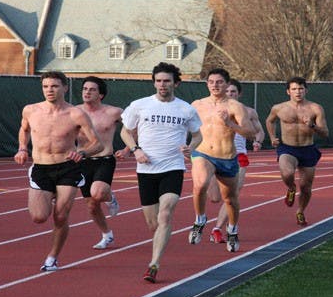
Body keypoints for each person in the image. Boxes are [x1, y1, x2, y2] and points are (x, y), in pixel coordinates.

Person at [119, 62, 202, 283]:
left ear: (176, 83)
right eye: (158, 80)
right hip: (145, 169)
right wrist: (136, 150)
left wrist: (190, 148)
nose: (162, 85)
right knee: (153, 224)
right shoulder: (140, 105)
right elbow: (125, 132)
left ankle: (153, 264)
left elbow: (197, 135)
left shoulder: (186, 109)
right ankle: (160, 241)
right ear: (154, 82)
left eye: (166, 81)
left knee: (166, 213)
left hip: (173, 167)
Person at [14, 71, 103, 272]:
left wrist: (83, 152)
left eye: (54, 86)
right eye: (46, 86)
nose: (49, 90)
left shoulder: (76, 114)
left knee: (61, 217)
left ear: (65, 87)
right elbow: (25, 129)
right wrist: (22, 147)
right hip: (41, 167)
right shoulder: (31, 110)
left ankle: (52, 258)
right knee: (38, 217)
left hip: (68, 168)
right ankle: (51, 194)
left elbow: (96, 144)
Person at [188, 68, 256, 253]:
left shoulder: (235, 107)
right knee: (200, 184)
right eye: (211, 82)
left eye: (219, 82)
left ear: (226, 84)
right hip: (203, 153)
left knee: (230, 199)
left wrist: (230, 124)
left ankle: (232, 229)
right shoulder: (197, 104)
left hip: (226, 157)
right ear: (207, 84)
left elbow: (251, 132)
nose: (215, 85)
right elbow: (184, 125)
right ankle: (200, 219)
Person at [207, 78, 265, 244]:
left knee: (232, 196)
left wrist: (257, 141)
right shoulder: (212, 109)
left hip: (238, 156)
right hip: (214, 155)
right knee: (215, 197)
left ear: (239, 94)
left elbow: (259, 132)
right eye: (227, 91)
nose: (230, 94)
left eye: (233, 92)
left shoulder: (249, 112)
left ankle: (217, 229)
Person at [265, 77, 328, 226]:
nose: (297, 92)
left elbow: (325, 133)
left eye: (300, 89)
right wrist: (273, 137)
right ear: (288, 91)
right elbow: (269, 121)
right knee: (287, 173)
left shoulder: (315, 108)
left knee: (306, 187)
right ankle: (291, 188)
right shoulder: (279, 108)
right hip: (287, 147)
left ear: (306, 90)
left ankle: (300, 211)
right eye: (294, 89)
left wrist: (312, 125)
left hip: (307, 149)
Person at [76, 76, 127, 250]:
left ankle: (110, 197)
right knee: (91, 205)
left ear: (101, 95)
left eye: (92, 89)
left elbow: (134, 128)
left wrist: (128, 149)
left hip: (104, 159)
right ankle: (107, 235)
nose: (87, 92)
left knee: (98, 192)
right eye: (85, 89)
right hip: (82, 161)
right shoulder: (75, 112)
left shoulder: (114, 112)